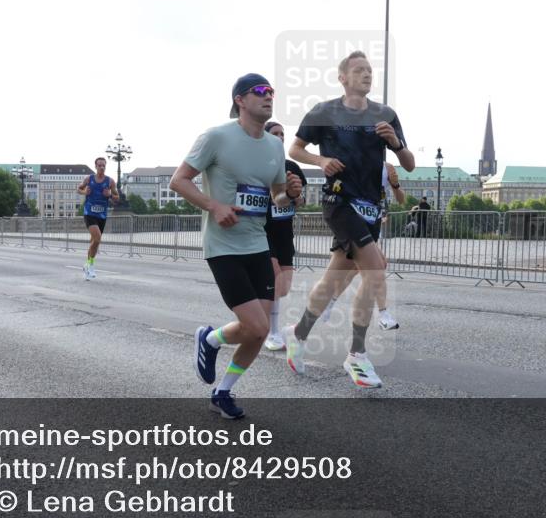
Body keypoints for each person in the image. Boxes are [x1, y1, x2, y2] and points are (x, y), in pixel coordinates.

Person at [170, 73, 302, 419]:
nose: (268, 95)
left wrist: (290, 192)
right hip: (224, 246)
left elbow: (276, 197)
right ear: (240, 100)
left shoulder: (275, 146)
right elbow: (178, 180)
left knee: (257, 333)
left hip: (257, 242)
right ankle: (210, 340)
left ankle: (222, 390)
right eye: (260, 91)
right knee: (258, 326)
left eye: (272, 91)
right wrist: (214, 205)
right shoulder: (216, 137)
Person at [283, 51, 415, 388]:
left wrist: (396, 143)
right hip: (339, 200)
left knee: (333, 280)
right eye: (359, 70)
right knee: (375, 266)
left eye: (370, 70)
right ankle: (357, 355)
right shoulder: (325, 111)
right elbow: (294, 149)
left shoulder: (386, 115)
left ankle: (298, 334)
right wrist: (321, 159)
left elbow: (409, 163)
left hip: (371, 207)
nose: (367, 75)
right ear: (342, 77)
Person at [321, 162, 405, 330]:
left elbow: (401, 199)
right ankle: (381, 315)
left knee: (359, 270)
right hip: (351, 222)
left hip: (371, 224)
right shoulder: (351, 158)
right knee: (373, 267)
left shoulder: (387, 168)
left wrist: (395, 185)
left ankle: (328, 304)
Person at [261, 121, 307, 351]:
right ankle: (272, 331)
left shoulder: (292, 167)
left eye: (282, 134)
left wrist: (296, 198)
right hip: (262, 231)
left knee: (284, 287)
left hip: (284, 232)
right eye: (275, 133)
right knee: (274, 279)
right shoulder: (258, 165)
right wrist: (285, 195)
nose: (280, 137)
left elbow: (301, 199)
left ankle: (258, 317)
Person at [77, 157, 120, 280]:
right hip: (89, 213)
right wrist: (85, 192)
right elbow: (78, 189)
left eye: (103, 166)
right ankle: (90, 265)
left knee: (94, 243)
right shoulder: (88, 179)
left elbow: (117, 198)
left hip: (102, 215)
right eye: (99, 165)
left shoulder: (110, 181)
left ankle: (87, 267)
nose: (102, 167)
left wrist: (110, 195)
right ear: (95, 166)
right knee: (97, 239)